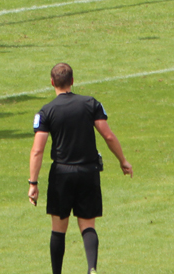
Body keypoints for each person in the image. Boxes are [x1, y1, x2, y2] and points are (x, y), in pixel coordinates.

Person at [28, 63, 132, 274]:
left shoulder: (46, 111)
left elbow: (37, 151)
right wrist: (123, 160)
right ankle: (91, 268)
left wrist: (33, 183)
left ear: (51, 82)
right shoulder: (90, 104)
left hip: (61, 174)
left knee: (58, 229)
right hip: (88, 171)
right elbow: (108, 136)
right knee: (88, 225)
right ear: (73, 81)